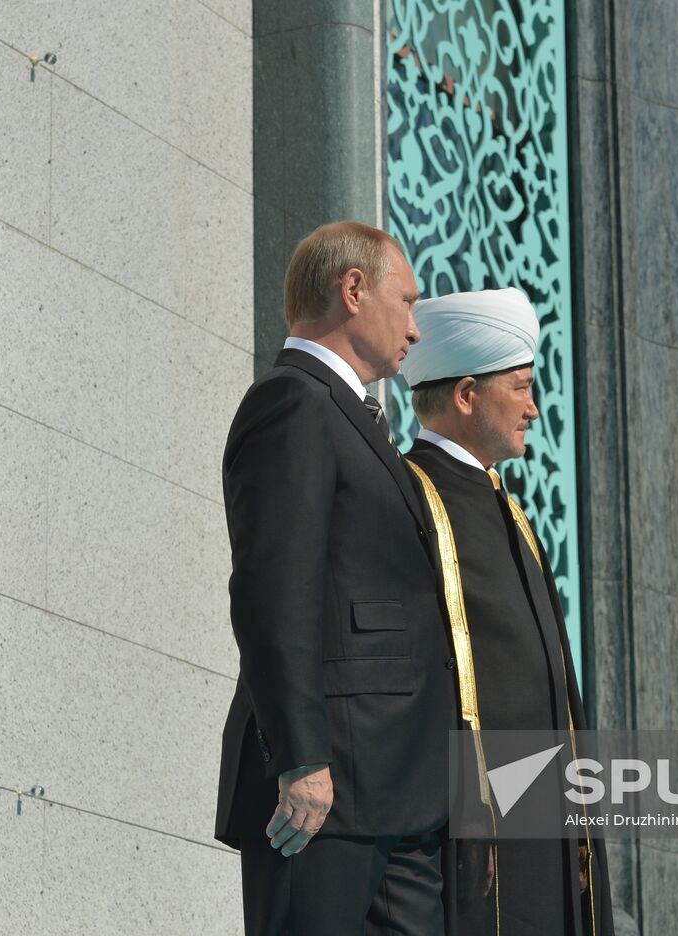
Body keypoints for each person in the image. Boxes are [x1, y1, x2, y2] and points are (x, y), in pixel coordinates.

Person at [215, 221, 457, 935]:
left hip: (400, 791)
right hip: (327, 789)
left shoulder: (353, 417)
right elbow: (272, 592)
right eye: (406, 302)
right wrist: (300, 758)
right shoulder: (293, 402)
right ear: (353, 290)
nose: (414, 329)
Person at [398, 288, 614, 936]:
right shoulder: (410, 496)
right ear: (467, 395)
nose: (533, 407)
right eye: (520, 388)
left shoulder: (510, 510)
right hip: (475, 838)